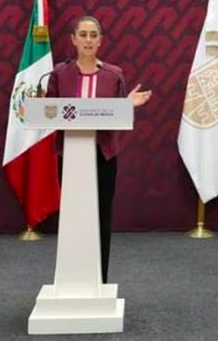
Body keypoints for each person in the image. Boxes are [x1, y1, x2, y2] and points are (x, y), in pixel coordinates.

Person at [46, 15, 152, 283]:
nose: (88, 40)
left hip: (103, 154)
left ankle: (99, 279)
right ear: (73, 40)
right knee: (72, 216)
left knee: (101, 215)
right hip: (69, 154)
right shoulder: (59, 73)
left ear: (101, 41)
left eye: (93, 35)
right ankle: (71, 278)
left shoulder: (113, 74)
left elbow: (117, 117)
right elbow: (49, 111)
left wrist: (127, 105)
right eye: (83, 34)